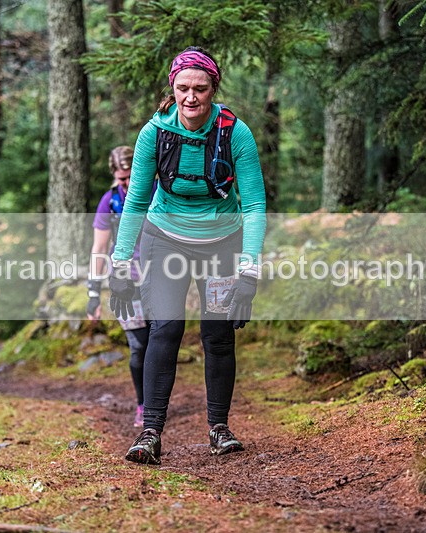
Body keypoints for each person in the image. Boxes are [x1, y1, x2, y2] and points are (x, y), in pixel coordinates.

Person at [108, 46, 267, 465]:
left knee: (217, 334)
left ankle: (219, 429)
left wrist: (249, 273)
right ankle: (150, 433)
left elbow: (253, 204)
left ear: (214, 88)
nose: (190, 97)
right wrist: (120, 267)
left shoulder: (236, 132)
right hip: (165, 240)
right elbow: (136, 202)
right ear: (172, 89)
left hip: (222, 242)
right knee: (165, 328)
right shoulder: (154, 133)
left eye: (200, 88)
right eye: (182, 88)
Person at [87, 146, 151, 428]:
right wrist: (93, 293)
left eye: (130, 176)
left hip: (161, 277)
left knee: (158, 342)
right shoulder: (110, 202)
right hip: (124, 280)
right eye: (122, 178)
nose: (127, 183)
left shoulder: (156, 193)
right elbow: (99, 249)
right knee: (138, 346)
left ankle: (157, 400)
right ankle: (143, 405)